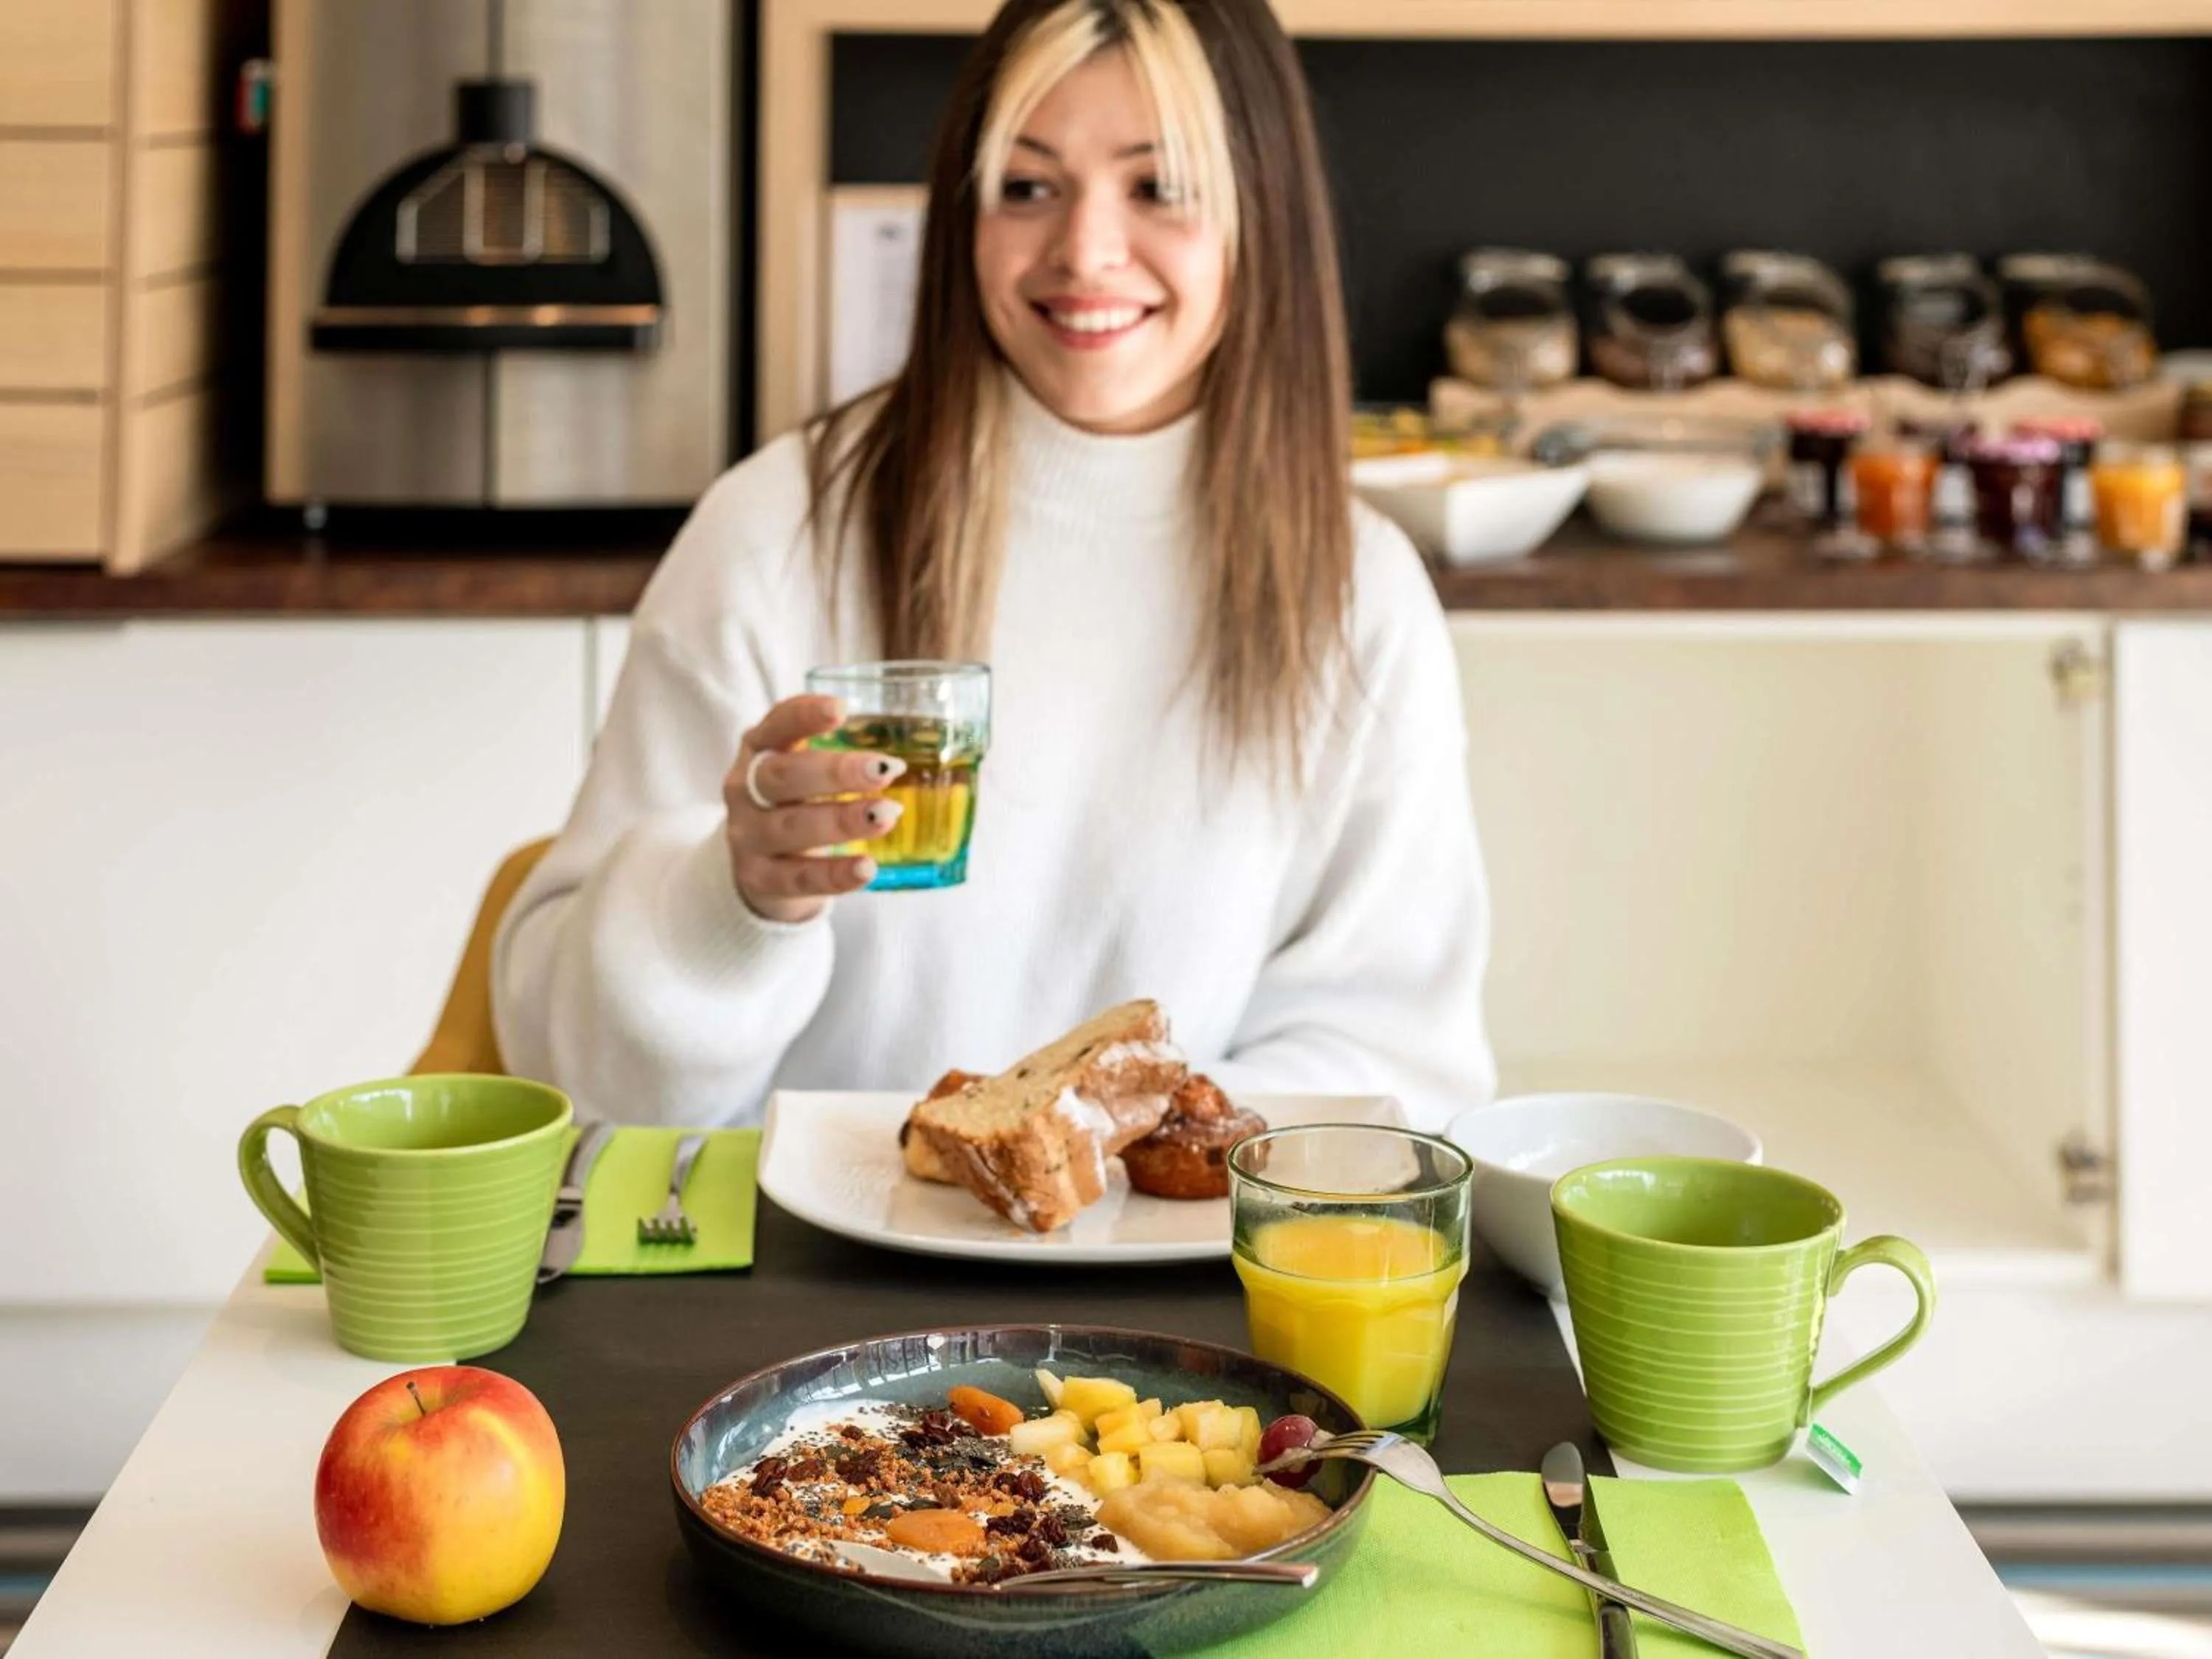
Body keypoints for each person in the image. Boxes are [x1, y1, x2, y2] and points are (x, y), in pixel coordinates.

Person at [493, 0, 1494, 1132]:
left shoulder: (1357, 595)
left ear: (1261, 218)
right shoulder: (778, 531)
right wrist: (736, 901)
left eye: (1157, 187)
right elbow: (569, 1072)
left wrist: (1096, 1155)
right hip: (801, 1286)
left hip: (1178, 1278)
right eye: (1027, 186)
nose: (1085, 250)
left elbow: (1393, 1059)